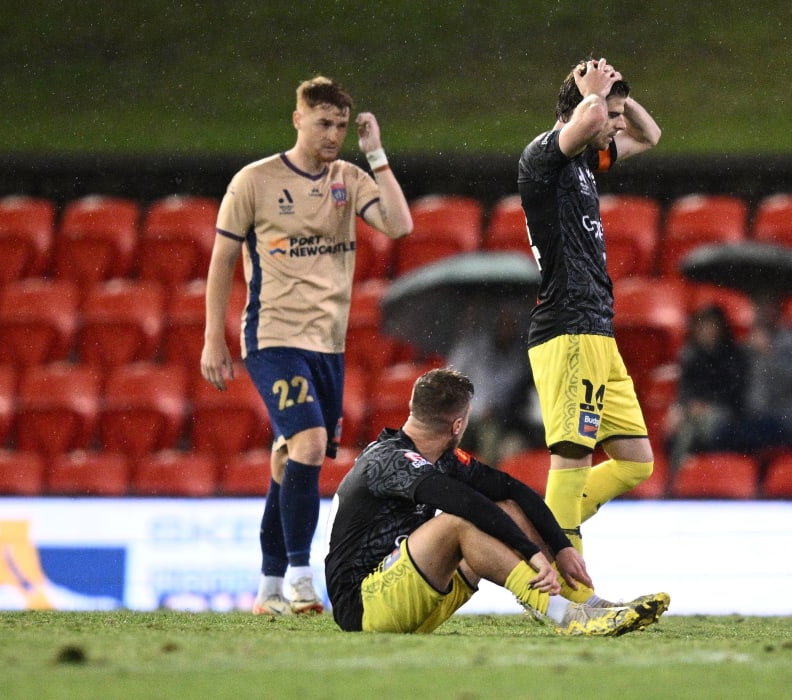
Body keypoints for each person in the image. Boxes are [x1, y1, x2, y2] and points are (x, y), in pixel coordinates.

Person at [201, 75, 413, 616]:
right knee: (312, 444)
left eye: (341, 125)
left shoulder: (348, 177)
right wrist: (213, 340)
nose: (333, 134)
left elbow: (399, 225)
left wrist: (376, 155)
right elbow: (222, 261)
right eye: (323, 123)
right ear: (297, 119)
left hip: (328, 345)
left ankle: (268, 586)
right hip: (273, 336)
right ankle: (300, 576)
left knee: (289, 460)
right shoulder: (254, 181)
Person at [324, 366, 670, 635]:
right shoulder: (389, 460)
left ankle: (586, 603)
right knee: (457, 523)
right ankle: (564, 616)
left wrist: (560, 546)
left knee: (506, 507)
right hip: (364, 608)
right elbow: (464, 504)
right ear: (458, 423)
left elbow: (510, 488)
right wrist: (533, 554)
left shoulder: (440, 456)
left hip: (412, 593)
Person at [517, 57, 662, 565]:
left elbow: (651, 135)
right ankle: (570, 592)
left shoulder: (584, 163)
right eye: (612, 114)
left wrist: (615, 91)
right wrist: (595, 98)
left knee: (635, 463)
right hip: (568, 328)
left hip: (598, 330)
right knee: (573, 455)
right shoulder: (543, 157)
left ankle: (545, 523)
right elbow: (590, 123)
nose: (619, 124)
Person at [709, 295, 792, 455]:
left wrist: (768, 356)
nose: (761, 313)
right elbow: (732, 382)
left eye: (767, 307)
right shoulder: (750, 344)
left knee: (726, 436)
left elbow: (790, 385)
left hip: (783, 419)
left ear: (778, 310)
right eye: (758, 307)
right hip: (750, 417)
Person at [445, 305, 543, 465]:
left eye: (512, 324)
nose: (508, 328)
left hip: (494, 420)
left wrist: (495, 410)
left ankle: (488, 481)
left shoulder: (518, 359)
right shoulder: (472, 347)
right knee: (447, 438)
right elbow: (448, 380)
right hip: (462, 413)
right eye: (504, 323)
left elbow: (514, 396)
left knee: (491, 438)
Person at [664, 304, 749, 469]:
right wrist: (683, 407)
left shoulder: (734, 356)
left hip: (726, 413)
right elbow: (685, 390)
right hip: (694, 413)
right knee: (680, 421)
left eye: (711, 326)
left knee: (693, 426)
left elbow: (734, 394)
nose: (706, 331)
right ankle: (683, 469)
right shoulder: (690, 355)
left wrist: (706, 405)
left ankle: (676, 474)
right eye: (702, 326)